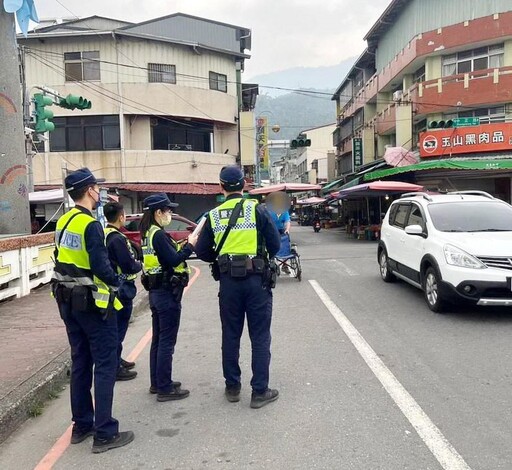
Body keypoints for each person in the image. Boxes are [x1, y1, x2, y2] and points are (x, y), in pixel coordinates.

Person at [51, 168, 134, 453]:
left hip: (67, 302)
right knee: (106, 364)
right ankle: (105, 432)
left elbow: (58, 258)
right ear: (89, 191)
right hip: (94, 306)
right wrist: (119, 281)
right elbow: (102, 267)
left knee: (81, 362)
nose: (100, 194)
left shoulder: (63, 221)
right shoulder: (90, 225)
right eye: (97, 189)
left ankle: (82, 425)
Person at [195, 166, 281, 409]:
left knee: (231, 334)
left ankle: (232, 387)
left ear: (221, 186)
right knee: (260, 336)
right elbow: (274, 244)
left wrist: (222, 259)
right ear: (244, 185)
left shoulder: (212, 215)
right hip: (256, 282)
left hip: (228, 283)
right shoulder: (258, 210)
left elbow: (201, 251)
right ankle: (259, 391)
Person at [140, 193, 198, 402]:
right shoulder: (158, 235)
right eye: (168, 210)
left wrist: (180, 246)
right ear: (158, 212)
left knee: (158, 338)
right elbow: (173, 260)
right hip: (166, 292)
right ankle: (164, 387)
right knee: (166, 341)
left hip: (156, 292)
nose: (170, 214)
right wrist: (190, 245)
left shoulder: (148, 233)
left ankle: (158, 382)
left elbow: (164, 257)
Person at [103, 202, 142, 382]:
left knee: (115, 328)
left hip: (111, 287)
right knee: (118, 328)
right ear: (120, 217)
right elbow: (128, 264)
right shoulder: (117, 238)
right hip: (121, 288)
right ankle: (115, 366)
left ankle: (117, 360)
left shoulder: (104, 233)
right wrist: (139, 265)